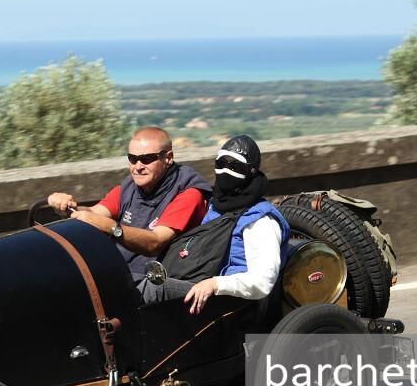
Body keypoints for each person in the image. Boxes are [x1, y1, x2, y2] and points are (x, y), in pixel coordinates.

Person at [142, 134, 290, 314]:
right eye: (221, 164)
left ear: (251, 172)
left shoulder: (260, 220)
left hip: (235, 303)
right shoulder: (215, 207)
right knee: (130, 282)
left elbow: (262, 281)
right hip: (203, 285)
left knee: (152, 290)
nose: (226, 171)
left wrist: (216, 284)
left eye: (234, 166)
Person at [47, 126, 211, 282]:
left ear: (168, 158)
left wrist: (113, 228)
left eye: (146, 159)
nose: (138, 167)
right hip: (124, 274)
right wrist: (68, 207)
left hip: (161, 281)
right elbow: (94, 213)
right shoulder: (129, 188)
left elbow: (156, 242)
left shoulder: (188, 193)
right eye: (132, 159)